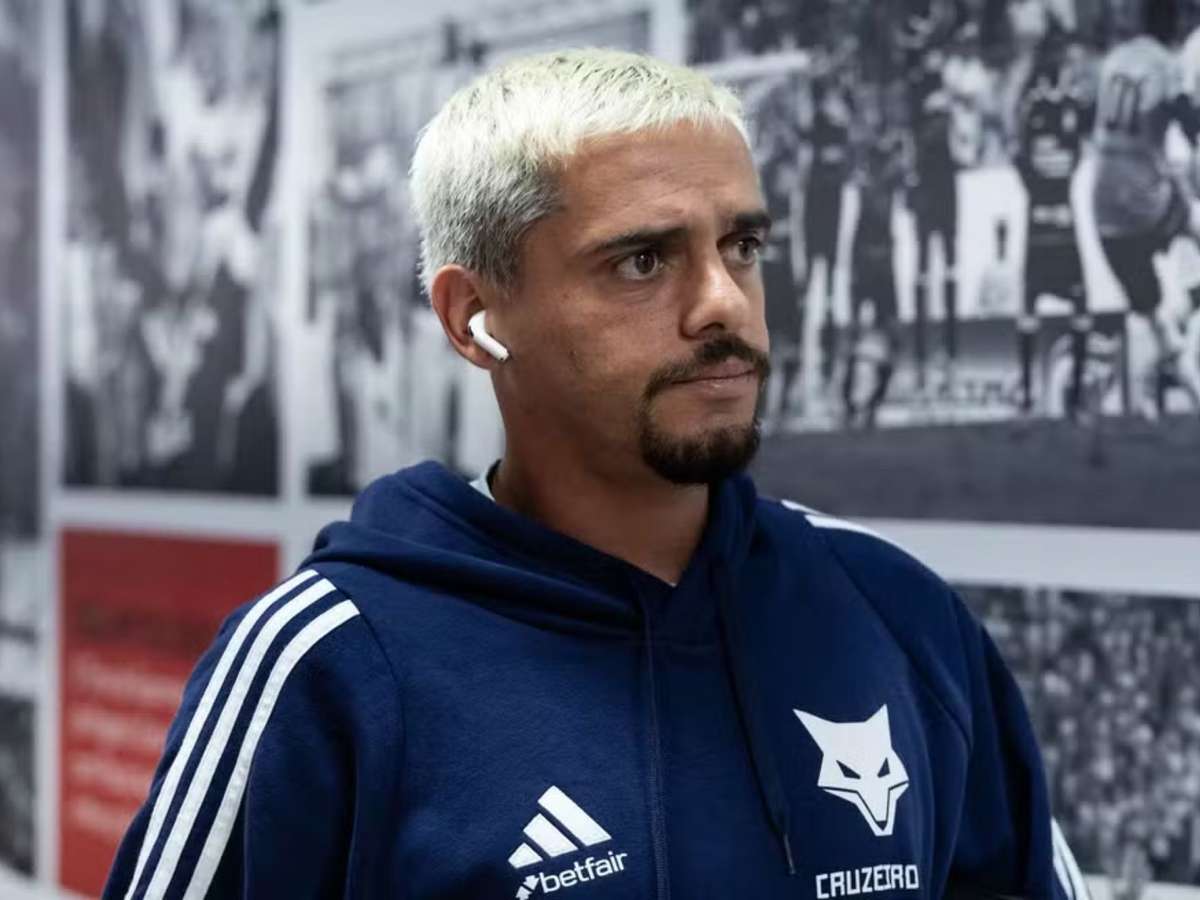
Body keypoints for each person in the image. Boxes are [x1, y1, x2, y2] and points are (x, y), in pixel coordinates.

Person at [103, 49, 1089, 899]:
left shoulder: (896, 612)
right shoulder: (328, 664)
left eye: (741, 247)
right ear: (474, 319)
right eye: (642, 262)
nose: (724, 305)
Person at [1092, 0, 1200, 418]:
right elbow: (1190, 124)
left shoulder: (1115, 60)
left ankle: (1141, 398)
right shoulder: (1163, 63)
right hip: (1143, 196)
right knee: (1191, 221)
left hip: (1103, 203)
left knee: (1146, 306)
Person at [1014, 26, 1093, 419]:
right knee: (1071, 302)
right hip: (1056, 223)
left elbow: (1020, 158)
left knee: (1042, 302)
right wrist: (1049, 189)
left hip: (1044, 223)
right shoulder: (1048, 106)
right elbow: (1027, 157)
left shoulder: (1048, 105)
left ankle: (1035, 396)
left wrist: (1039, 190)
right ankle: (1055, 397)